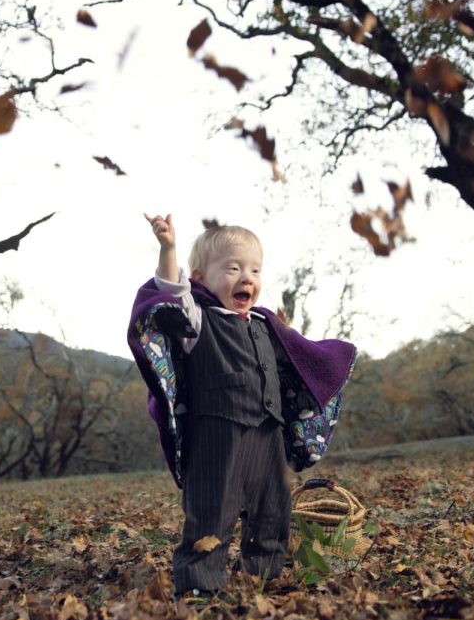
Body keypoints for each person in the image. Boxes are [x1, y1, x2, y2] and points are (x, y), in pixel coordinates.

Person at [127, 214, 356, 598]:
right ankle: (200, 585)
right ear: (200, 278)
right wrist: (168, 248)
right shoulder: (198, 320)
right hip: (217, 434)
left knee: (273, 507)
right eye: (232, 268)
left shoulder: (264, 324)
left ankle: (262, 574)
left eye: (254, 269)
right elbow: (170, 291)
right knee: (212, 510)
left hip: (268, 431)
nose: (246, 277)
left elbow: (295, 363)